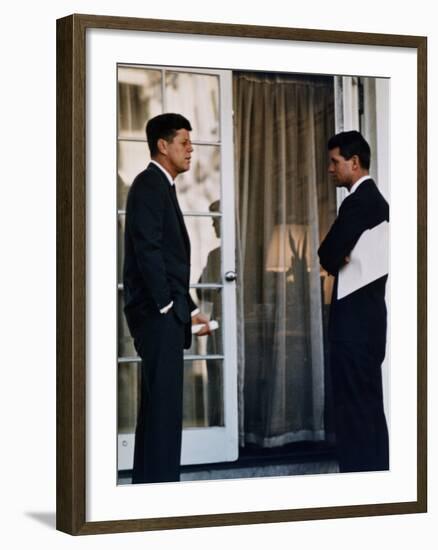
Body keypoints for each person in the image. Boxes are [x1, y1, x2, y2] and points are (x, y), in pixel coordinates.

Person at [123, 113, 210, 483]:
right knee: (163, 413)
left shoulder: (161, 186)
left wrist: (187, 311)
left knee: (159, 411)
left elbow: (168, 263)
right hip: (157, 317)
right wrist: (168, 307)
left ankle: (149, 489)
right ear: (163, 145)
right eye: (184, 142)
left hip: (166, 314)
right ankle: (159, 496)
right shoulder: (148, 185)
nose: (191, 150)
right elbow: (149, 250)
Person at [318, 130, 389, 473]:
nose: (330, 169)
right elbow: (335, 254)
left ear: (355, 162)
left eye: (335, 162)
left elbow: (328, 253)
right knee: (368, 410)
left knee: (356, 414)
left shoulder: (360, 202)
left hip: (354, 328)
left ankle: (363, 487)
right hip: (369, 323)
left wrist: (336, 254)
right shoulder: (376, 202)